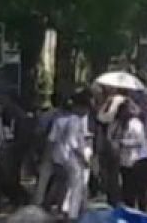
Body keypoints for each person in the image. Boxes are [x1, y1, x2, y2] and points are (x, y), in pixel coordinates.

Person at [52, 93, 91, 221]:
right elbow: (74, 143)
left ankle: (62, 210)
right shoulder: (76, 121)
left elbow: (52, 139)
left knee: (63, 185)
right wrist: (83, 159)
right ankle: (72, 215)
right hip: (72, 158)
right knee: (76, 186)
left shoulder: (60, 120)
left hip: (59, 157)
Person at [112, 98, 147, 211]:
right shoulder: (119, 125)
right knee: (127, 192)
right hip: (125, 162)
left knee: (140, 192)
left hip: (138, 160)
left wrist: (123, 143)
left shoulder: (135, 123)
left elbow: (140, 141)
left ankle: (142, 215)